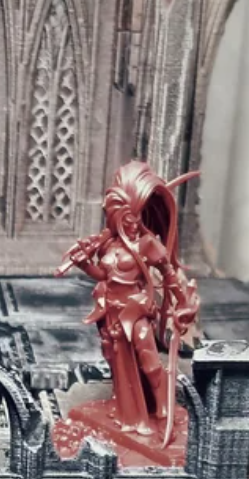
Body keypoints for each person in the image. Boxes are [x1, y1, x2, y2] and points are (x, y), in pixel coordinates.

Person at [56, 161, 200, 438]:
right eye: (128, 219)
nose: (134, 224)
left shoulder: (147, 243)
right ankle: (130, 413)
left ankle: (163, 411)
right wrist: (84, 264)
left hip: (136, 310)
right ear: (117, 217)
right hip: (111, 311)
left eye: (137, 218)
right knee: (119, 364)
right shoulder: (108, 244)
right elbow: (104, 275)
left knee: (150, 361)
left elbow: (169, 274)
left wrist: (182, 302)